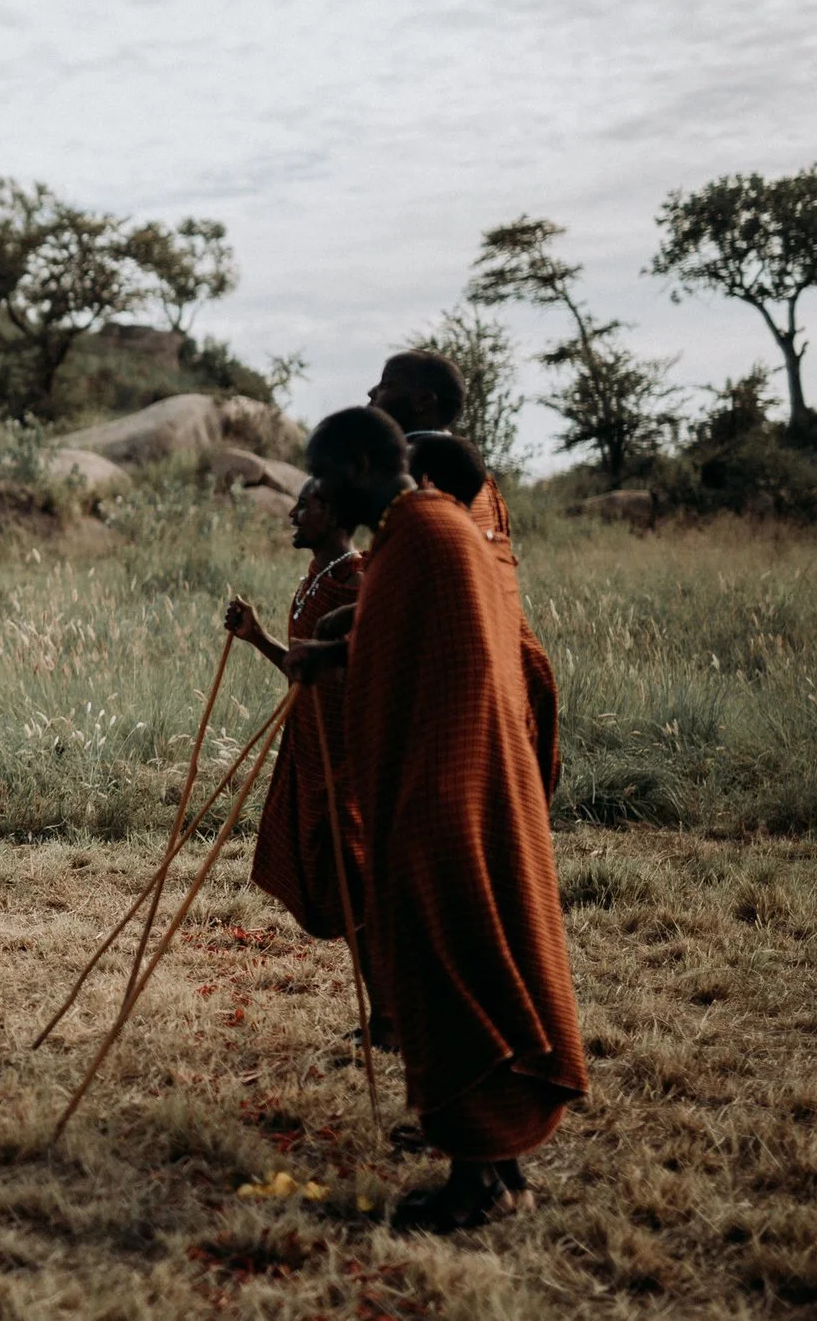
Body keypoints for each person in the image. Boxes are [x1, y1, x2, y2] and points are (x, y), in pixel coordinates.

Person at [286, 407, 587, 1231]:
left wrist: (426, 810)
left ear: (356, 463)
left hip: (446, 787)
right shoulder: (420, 531)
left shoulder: (421, 533)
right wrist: (333, 648)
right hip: (450, 781)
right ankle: (499, 1172)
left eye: (322, 473)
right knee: (464, 967)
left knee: (454, 970)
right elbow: (399, 625)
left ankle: (481, 1182)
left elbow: (456, 658)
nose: (313, 491)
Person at [369, 350, 562, 797]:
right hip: (501, 651)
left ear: (422, 401)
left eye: (386, 383)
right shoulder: (480, 479)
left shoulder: (417, 476)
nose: (372, 393)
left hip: (444, 669)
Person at [223, 478, 364, 940]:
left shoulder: (356, 582)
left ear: (335, 514)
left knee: (358, 875)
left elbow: (361, 672)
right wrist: (256, 636)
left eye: (305, 505)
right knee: (327, 870)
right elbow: (302, 668)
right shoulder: (316, 577)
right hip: (308, 739)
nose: (293, 514)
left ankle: (388, 1005)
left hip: (345, 752)